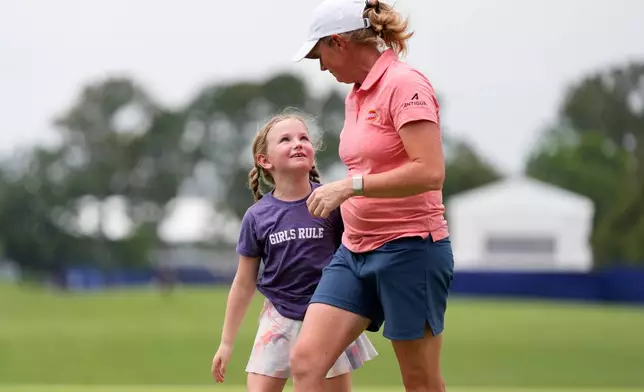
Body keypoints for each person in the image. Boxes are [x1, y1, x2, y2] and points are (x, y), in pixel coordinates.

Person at [288, 1, 454, 392]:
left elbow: (429, 171)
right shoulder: (356, 95)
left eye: (320, 55)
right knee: (307, 360)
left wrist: (351, 186)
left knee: (420, 381)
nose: (323, 67)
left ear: (339, 43)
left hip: (411, 249)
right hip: (355, 251)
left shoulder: (406, 84)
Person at [210, 112, 378, 392]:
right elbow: (243, 283)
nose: (298, 143)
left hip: (327, 315)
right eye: (285, 139)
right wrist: (226, 343)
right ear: (265, 161)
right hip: (278, 315)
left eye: (304, 138)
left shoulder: (332, 202)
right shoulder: (257, 216)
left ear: (312, 155)